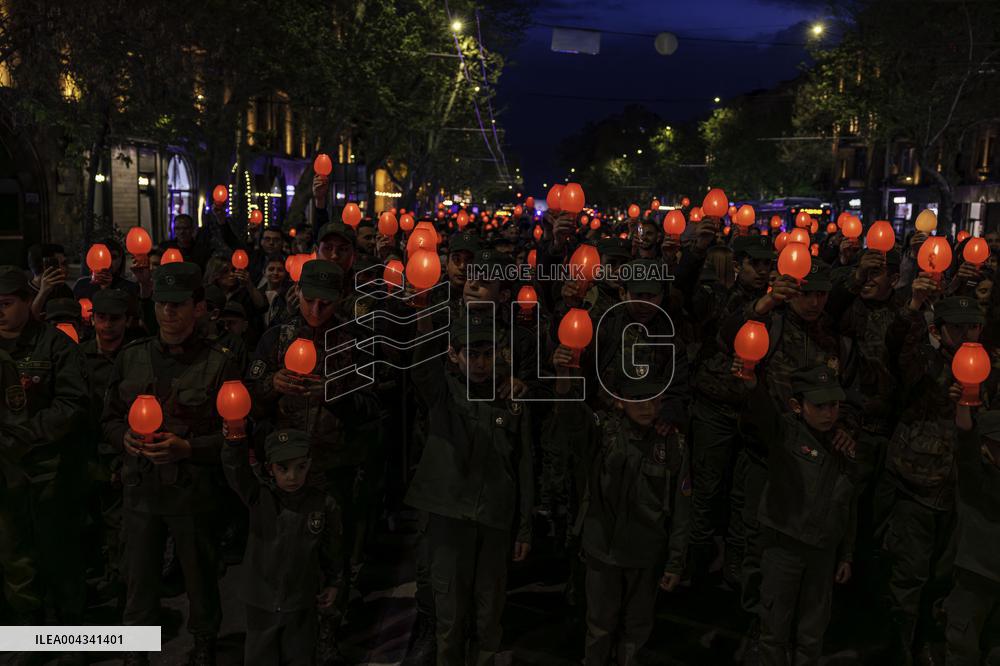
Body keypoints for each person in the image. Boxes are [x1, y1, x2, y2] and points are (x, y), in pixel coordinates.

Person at [102, 261, 240, 666]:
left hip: (193, 493)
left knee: (200, 577)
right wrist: (122, 437)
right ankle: (134, 651)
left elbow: (236, 438)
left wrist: (188, 448)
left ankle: (203, 644)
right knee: (138, 579)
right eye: (162, 304)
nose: (168, 313)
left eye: (178, 305)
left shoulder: (219, 363)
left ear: (198, 307)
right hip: (140, 489)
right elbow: (108, 416)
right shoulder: (133, 357)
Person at [407, 311, 533, 666]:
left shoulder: (511, 397)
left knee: (488, 613)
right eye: (472, 354)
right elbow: (421, 369)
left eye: (488, 354)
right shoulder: (443, 392)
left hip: (493, 520)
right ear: (455, 355)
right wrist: (424, 318)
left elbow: (523, 464)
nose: (480, 363)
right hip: (449, 520)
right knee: (449, 616)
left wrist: (524, 526)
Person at [552, 346, 690, 665]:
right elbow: (571, 417)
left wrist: (675, 561)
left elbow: (681, 507)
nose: (647, 408)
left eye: (655, 400)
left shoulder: (672, 443)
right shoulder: (604, 433)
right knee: (599, 626)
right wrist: (563, 376)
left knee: (637, 629)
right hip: (603, 550)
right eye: (639, 400)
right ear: (619, 401)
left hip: (644, 552)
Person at [882, 293, 997, 663]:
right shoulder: (923, 361)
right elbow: (896, 345)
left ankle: (932, 644)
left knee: (944, 578)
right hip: (919, 483)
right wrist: (914, 304)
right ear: (938, 329)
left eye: (973, 326)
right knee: (909, 577)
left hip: (965, 492)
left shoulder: (988, 366)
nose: (967, 334)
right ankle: (900, 647)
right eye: (958, 327)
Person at [736, 364, 859, 666]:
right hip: (784, 546)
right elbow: (764, 414)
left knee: (811, 632)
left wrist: (847, 554)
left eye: (834, 405)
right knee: (774, 627)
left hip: (822, 552)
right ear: (797, 406)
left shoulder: (843, 446)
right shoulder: (787, 433)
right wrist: (753, 384)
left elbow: (848, 505)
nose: (829, 413)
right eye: (819, 406)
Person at [0, 265, 90, 634]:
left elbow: (74, 403)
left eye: (5, 303)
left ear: (26, 302)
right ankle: (31, 634)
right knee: (15, 557)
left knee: (59, 555)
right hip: (5, 474)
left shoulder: (54, 345)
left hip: (48, 469)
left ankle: (70, 635)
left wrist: (26, 433)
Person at [222, 428, 342, 666]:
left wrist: (334, 582)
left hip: (302, 598)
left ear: (309, 464)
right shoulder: (260, 497)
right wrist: (233, 441)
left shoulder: (323, 504)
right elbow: (236, 471)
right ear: (270, 469)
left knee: (299, 656)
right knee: (260, 657)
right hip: (261, 598)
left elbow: (333, 549)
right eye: (283, 468)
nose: (292, 477)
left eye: (300, 467)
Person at [81, 288, 138, 606]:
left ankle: (121, 585)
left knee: (121, 529)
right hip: (88, 454)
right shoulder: (80, 357)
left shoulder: (134, 358)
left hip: (121, 454)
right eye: (101, 318)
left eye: (115, 319)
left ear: (126, 321)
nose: (108, 325)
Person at [946, 399, 1000, 666]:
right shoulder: (976, 476)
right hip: (975, 575)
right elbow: (965, 439)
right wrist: (965, 402)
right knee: (962, 648)